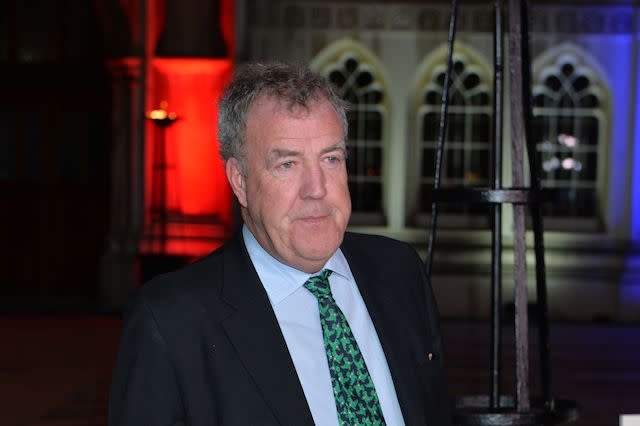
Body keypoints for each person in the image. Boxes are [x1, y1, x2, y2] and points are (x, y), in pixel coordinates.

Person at [108, 62, 451, 426]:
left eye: (331, 159)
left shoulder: (399, 271)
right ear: (239, 180)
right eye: (288, 164)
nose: (317, 189)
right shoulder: (170, 320)